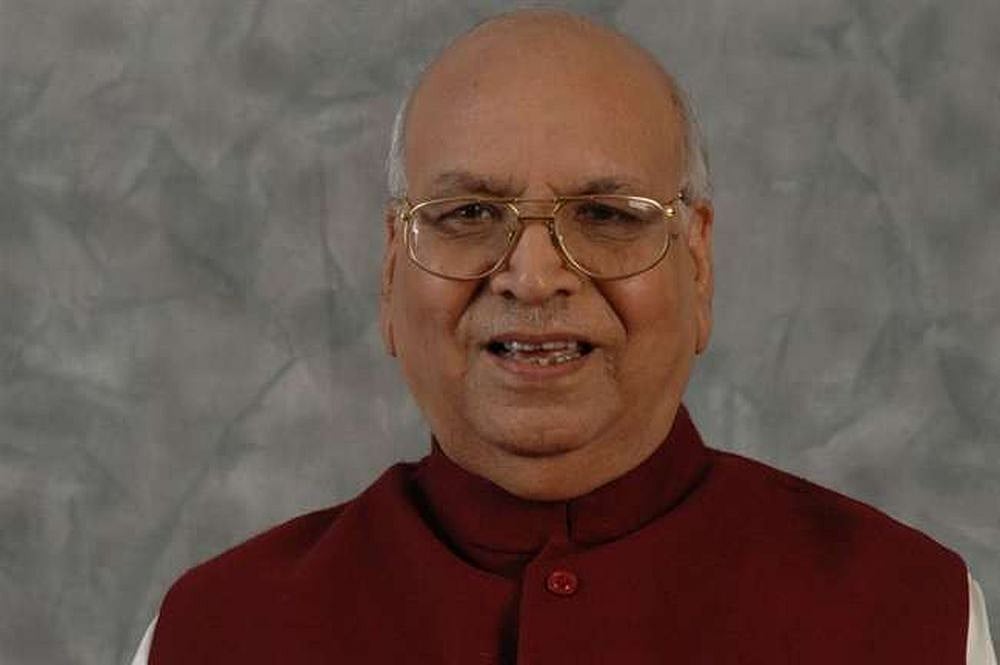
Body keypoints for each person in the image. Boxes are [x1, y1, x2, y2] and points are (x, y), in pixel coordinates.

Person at [132, 9, 995, 664]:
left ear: (697, 264)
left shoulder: (911, 616)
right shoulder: (215, 632)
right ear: (393, 269)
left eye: (606, 214)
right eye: (469, 213)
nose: (535, 275)